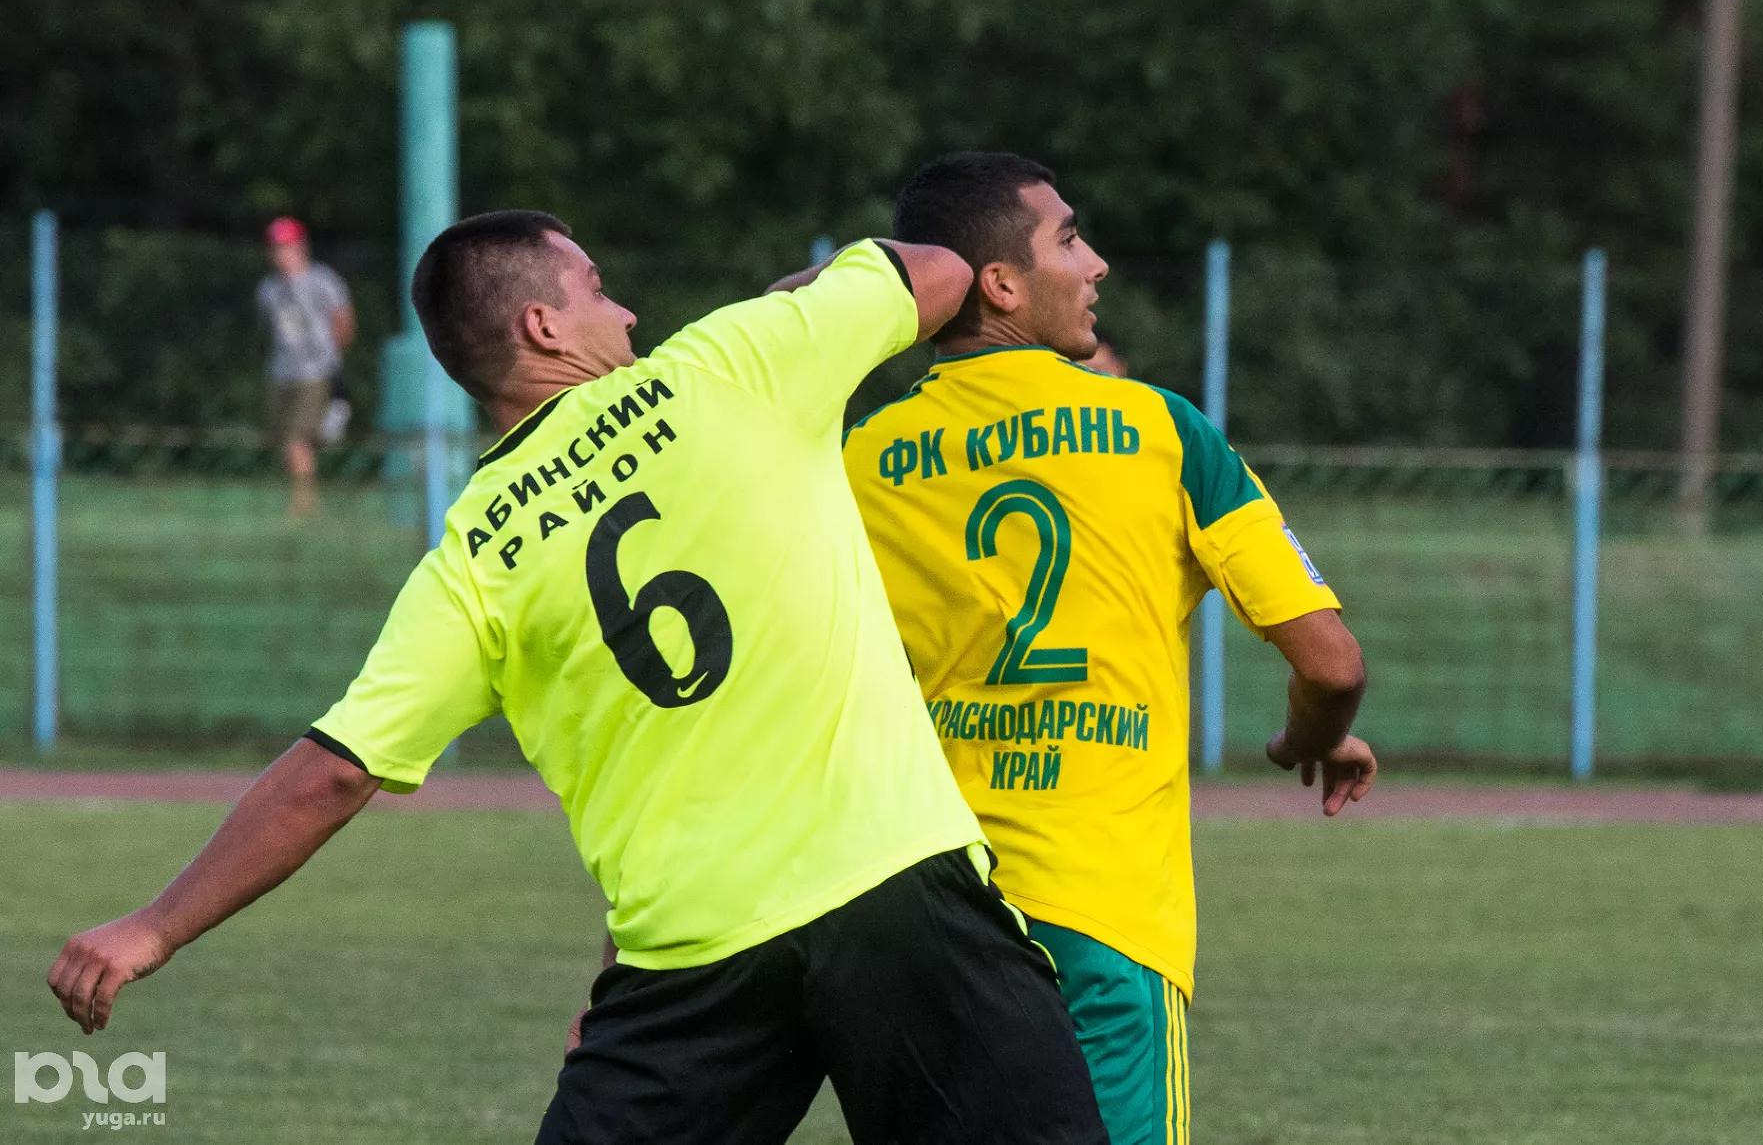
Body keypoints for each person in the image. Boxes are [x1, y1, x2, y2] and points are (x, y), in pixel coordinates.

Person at [49, 210, 1108, 1145]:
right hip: (898, 894)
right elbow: (936, 270)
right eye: (598, 289)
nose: (629, 311)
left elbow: (334, 771)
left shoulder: (473, 558)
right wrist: (802, 297)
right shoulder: (727, 363)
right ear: (543, 326)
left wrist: (152, 928)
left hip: (694, 963)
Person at [841, 153, 1377, 1144]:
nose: (1097, 265)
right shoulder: (1162, 430)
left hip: (922, 911)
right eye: (1070, 239)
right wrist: (1309, 737)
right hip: (1099, 917)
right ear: (1001, 285)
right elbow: (1332, 664)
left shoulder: (861, 457)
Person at [257, 216, 355, 516]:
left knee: (298, 439)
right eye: (275, 248)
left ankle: (303, 503)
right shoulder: (268, 289)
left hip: (315, 371)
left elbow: (343, 321)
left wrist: (331, 358)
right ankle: (304, 496)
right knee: (286, 439)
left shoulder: (321, 281)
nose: (280, 254)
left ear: (301, 247)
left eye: (286, 247)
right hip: (282, 371)